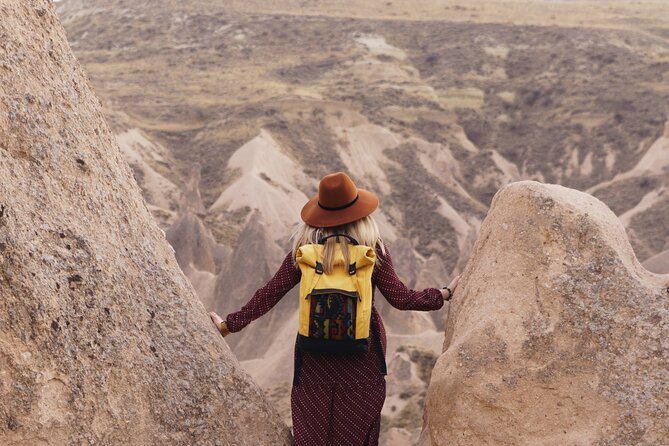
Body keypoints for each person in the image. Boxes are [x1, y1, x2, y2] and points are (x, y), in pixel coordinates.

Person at [209, 172, 461, 446]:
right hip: (362, 363)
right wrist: (443, 294)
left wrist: (228, 325)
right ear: (360, 212)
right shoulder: (373, 251)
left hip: (314, 361)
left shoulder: (304, 252)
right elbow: (402, 299)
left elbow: (268, 295)